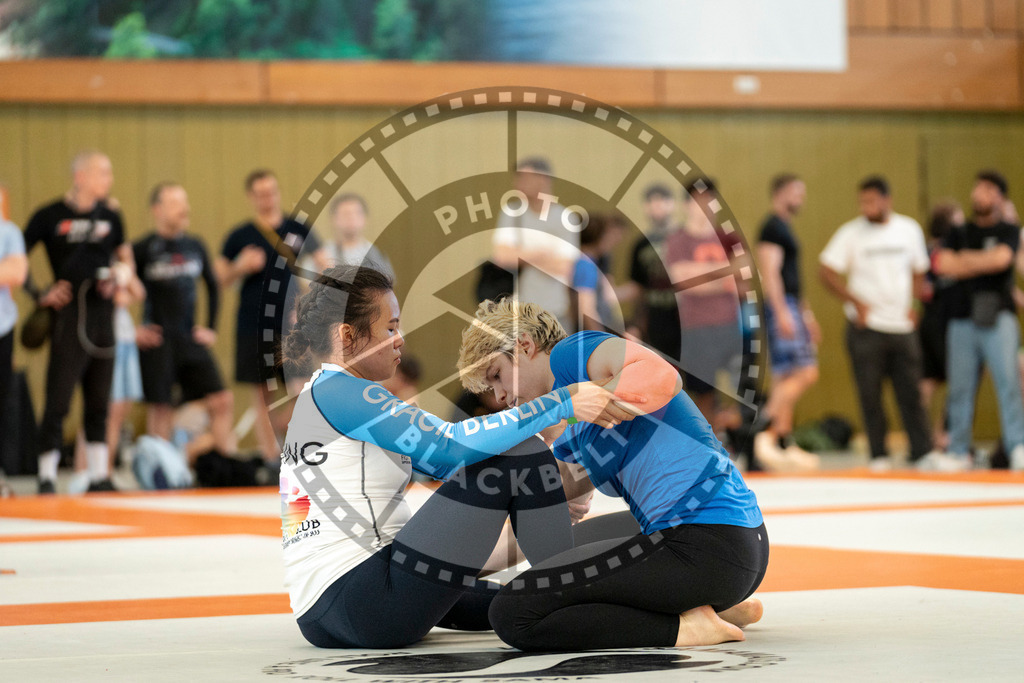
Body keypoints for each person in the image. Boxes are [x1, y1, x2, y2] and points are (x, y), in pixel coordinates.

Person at [279, 265, 642, 648]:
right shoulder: (344, 392)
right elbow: (451, 447)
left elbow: (459, 479)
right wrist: (563, 401)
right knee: (522, 452)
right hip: (369, 597)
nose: (400, 340)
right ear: (347, 336)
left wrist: (540, 503)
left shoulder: (321, 399)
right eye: (390, 328)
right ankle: (578, 598)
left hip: (329, 610)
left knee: (512, 602)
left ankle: (608, 576)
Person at [457, 298, 767, 651]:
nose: (499, 396)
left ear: (525, 346)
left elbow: (663, 376)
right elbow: (536, 516)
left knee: (513, 614)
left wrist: (577, 401)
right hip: (736, 549)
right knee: (560, 558)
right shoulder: (572, 431)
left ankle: (685, 627)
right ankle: (709, 603)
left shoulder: (570, 355)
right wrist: (452, 568)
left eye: (496, 375)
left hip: (707, 547)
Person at [23, 150, 127, 494]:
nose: (109, 180)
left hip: (103, 315)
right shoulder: (49, 215)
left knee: (99, 399)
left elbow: (125, 261)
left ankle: (100, 476)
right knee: (59, 399)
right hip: (68, 317)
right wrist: (39, 293)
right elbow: (15, 254)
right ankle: (47, 477)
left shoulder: (112, 216)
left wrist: (118, 277)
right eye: (103, 173)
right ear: (80, 176)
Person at [819, 176, 936, 470]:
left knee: (911, 391)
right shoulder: (851, 233)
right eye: (862, 202)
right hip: (866, 328)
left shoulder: (908, 229)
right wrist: (854, 301)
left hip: (902, 325)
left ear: (887, 200)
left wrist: (916, 304)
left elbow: (920, 269)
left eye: (871, 201)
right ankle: (878, 453)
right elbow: (826, 270)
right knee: (870, 394)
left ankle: (922, 452)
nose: (866, 207)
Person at [215, 169, 324, 465]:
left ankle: (302, 449)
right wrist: (241, 266)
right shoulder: (241, 236)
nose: (267, 199)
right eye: (260, 194)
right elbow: (219, 277)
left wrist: (311, 300)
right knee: (262, 392)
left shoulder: (297, 228)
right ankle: (270, 457)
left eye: (271, 192)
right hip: (254, 323)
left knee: (301, 387)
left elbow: (326, 266)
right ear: (252, 197)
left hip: (292, 324)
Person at [135, 182, 236, 459]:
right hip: (158, 340)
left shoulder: (194, 245)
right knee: (161, 407)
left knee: (222, 400)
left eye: (185, 202)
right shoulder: (143, 248)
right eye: (176, 203)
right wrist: (133, 331)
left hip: (189, 338)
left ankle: (221, 469)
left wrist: (211, 328)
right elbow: (119, 289)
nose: (185, 209)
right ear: (157, 209)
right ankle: (161, 478)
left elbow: (213, 286)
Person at [934, 170, 1024, 472]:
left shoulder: (1009, 230)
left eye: (986, 189)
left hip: (998, 318)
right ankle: (958, 450)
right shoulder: (960, 231)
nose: (978, 195)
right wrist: (983, 262)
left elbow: (1002, 259)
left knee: (1007, 383)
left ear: (999, 196)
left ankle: (1017, 446)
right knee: (959, 387)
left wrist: (965, 262)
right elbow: (944, 264)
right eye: (976, 189)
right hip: (961, 318)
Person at [755, 173, 820, 471]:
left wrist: (806, 315)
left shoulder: (785, 227)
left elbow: (795, 280)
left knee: (785, 376)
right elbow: (770, 272)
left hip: (793, 305)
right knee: (806, 372)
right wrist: (781, 311)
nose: (801, 199)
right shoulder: (772, 227)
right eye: (797, 192)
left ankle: (782, 439)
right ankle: (762, 425)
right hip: (782, 306)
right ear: (781, 193)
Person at [667, 178, 743, 431]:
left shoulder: (728, 237)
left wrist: (700, 274)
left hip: (731, 323)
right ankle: (706, 447)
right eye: (696, 200)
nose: (703, 205)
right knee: (703, 392)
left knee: (742, 389)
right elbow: (683, 281)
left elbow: (744, 277)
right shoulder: (678, 239)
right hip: (697, 326)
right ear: (687, 204)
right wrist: (724, 273)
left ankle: (735, 441)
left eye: (708, 200)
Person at [491, 157, 579, 332]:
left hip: (555, 310)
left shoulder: (565, 217)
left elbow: (564, 267)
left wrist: (520, 254)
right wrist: (542, 254)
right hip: (516, 310)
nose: (518, 183)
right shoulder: (511, 214)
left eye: (524, 177)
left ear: (543, 179)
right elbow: (501, 257)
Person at [919, 200, 964, 452]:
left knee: (928, 379)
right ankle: (940, 435)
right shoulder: (943, 252)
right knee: (957, 379)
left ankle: (923, 436)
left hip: (928, 321)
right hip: (943, 321)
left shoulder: (924, 249)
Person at [624, 183, 681, 358]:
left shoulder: (686, 237)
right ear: (646, 207)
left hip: (686, 318)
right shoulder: (641, 245)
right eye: (651, 202)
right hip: (656, 320)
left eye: (662, 201)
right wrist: (635, 324)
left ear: (672, 204)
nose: (657, 207)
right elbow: (639, 288)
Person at [0, 183, 27, 494]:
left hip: (3, 326)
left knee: (2, 399)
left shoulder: (8, 232)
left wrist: (8, 268)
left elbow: (16, 274)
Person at [570, 215, 625, 333]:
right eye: (607, 235)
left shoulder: (590, 263)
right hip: (589, 335)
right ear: (599, 237)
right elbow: (586, 309)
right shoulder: (585, 265)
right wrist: (601, 339)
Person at [322, 193, 393, 278]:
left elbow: (387, 285)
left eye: (357, 213)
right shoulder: (321, 253)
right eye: (345, 214)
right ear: (334, 219)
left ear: (365, 218)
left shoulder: (376, 253)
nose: (351, 218)